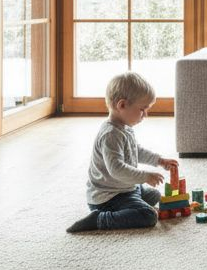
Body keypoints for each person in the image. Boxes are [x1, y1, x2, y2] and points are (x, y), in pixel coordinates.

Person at [67, 71, 179, 232]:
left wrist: (159, 160)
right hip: (108, 197)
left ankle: (133, 200)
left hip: (123, 187)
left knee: (154, 195)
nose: (145, 115)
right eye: (142, 109)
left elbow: (136, 151)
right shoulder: (110, 134)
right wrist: (145, 176)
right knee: (148, 216)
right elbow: (117, 169)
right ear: (122, 105)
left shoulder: (124, 127)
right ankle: (99, 219)